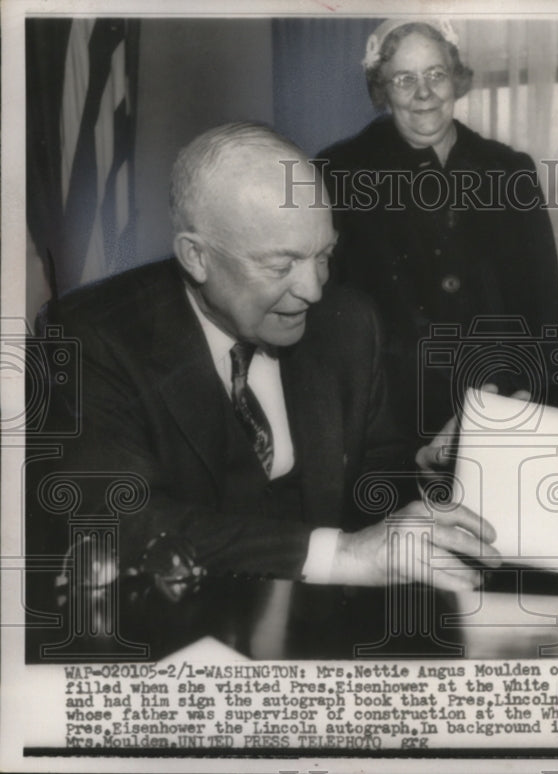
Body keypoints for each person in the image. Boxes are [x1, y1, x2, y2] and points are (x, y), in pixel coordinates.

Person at [35, 122, 499, 590]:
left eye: (324, 255)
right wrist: (339, 555)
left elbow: (375, 483)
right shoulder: (87, 335)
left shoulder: (351, 322)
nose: (314, 289)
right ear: (196, 257)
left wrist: (427, 468)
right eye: (282, 265)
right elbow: (112, 520)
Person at [316, 18, 558, 451]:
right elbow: (330, 316)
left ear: (456, 78)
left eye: (436, 74)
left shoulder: (510, 170)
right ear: (382, 89)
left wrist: (553, 415)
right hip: (394, 423)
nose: (424, 93)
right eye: (404, 79)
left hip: (506, 406)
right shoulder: (337, 173)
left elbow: (546, 306)